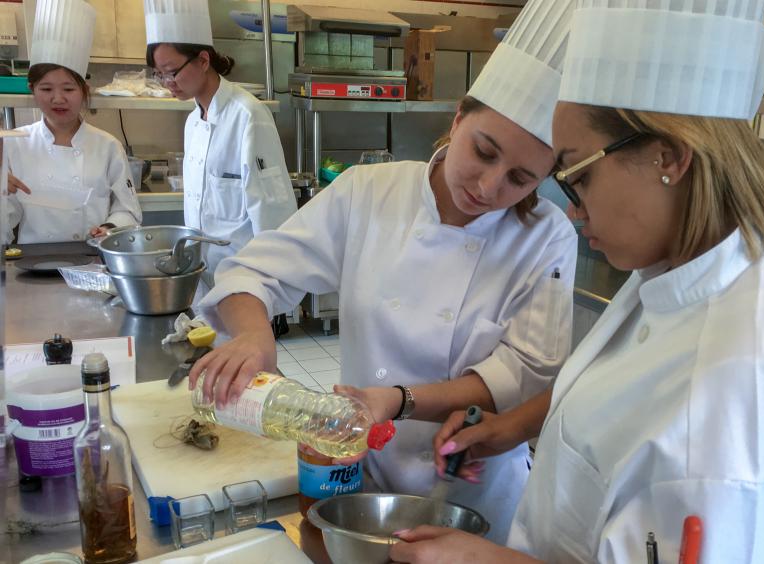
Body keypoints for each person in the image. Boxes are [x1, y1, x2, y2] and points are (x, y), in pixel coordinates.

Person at [389, 1, 764, 562]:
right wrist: (511, 427)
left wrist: (479, 559)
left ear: (668, 158)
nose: (572, 212)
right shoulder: (671, 271)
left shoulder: (746, 401)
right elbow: (625, 394)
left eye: (575, 175)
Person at [188, 0, 579, 543]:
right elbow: (254, 272)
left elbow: (527, 374)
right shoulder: (369, 192)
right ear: (458, 119)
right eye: (483, 152)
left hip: (472, 495)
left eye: (520, 178)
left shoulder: (547, 235)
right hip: (360, 481)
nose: (489, 188)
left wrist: (396, 400)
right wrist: (254, 336)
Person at [144, 0, 296, 286]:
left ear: (203, 60)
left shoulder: (248, 115)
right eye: (159, 74)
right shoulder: (193, 121)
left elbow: (272, 210)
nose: (167, 82)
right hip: (201, 274)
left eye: (171, 71)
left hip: (244, 276)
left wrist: (271, 287)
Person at [4, 0, 141, 245]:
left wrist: (110, 227)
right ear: (32, 90)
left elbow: (127, 210)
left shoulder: (107, 146)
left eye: (68, 88)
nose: (58, 99)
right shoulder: (15, 143)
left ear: (83, 90)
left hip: (92, 260)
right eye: (46, 88)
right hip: (31, 264)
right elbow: (5, 221)